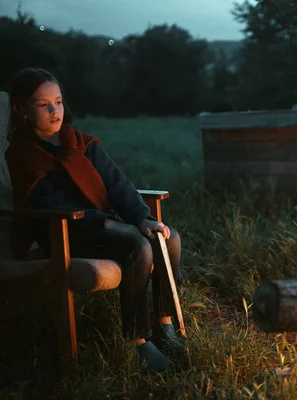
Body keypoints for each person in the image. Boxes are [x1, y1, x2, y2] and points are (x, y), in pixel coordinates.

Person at [5, 67, 184, 373]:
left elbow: (118, 185)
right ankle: (137, 343)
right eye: (42, 104)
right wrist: (108, 224)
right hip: (63, 233)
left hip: (100, 225)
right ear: (21, 111)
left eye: (58, 102)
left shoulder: (81, 144)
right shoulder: (22, 156)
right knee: (137, 247)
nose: (54, 111)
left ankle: (165, 324)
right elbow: (46, 202)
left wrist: (142, 218)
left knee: (169, 237)